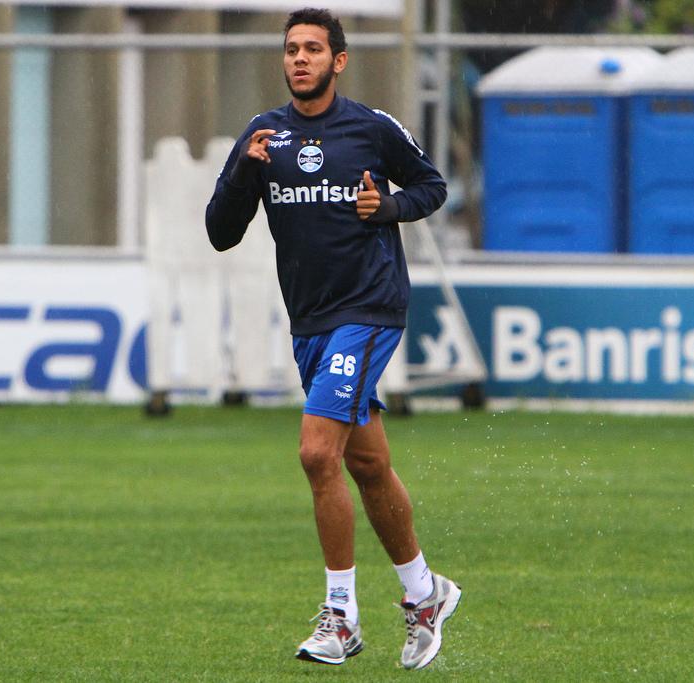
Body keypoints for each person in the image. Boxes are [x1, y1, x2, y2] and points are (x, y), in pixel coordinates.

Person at [204, 7, 461, 671]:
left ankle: (341, 615)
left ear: (338, 61)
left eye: (313, 49)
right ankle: (424, 593)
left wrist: (391, 207)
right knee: (366, 463)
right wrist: (241, 172)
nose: (299, 59)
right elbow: (220, 231)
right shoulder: (263, 135)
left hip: (370, 309)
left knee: (318, 452)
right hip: (312, 323)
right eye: (291, 49)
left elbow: (433, 185)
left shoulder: (372, 129)